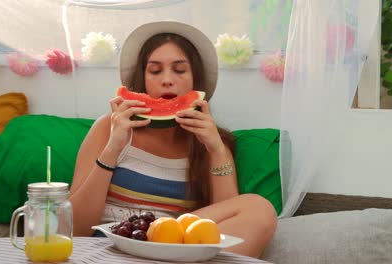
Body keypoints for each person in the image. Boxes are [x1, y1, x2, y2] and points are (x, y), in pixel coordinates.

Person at [70, 20, 277, 258]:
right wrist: (111, 149)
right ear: (143, 79)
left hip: (172, 253)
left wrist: (217, 150)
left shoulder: (212, 144)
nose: (167, 79)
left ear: (195, 80)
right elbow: (74, 229)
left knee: (259, 209)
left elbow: (224, 234)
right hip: (110, 250)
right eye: (155, 70)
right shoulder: (109, 127)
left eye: (179, 70)